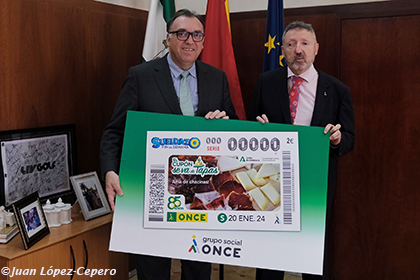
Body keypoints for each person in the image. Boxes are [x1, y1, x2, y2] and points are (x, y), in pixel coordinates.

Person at [100, 9, 237, 280]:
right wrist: (109, 171)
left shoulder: (216, 78)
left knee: (198, 269)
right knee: (152, 269)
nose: (190, 41)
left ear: (203, 40)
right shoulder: (141, 76)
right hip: (152, 190)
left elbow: (231, 128)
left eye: (197, 34)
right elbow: (114, 131)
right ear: (168, 39)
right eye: (182, 33)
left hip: (201, 192)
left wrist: (223, 122)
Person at [248, 21, 355, 280]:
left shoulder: (337, 89)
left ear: (316, 49)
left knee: (312, 256)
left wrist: (337, 140)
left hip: (313, 186)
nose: (299, 50)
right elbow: (250, 128)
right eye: (292, 44)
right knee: (270, 256)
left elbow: (350, 138)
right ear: (282, 50)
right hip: (271, 185)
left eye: (305, 44)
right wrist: (258, 131)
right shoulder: (266, 82)